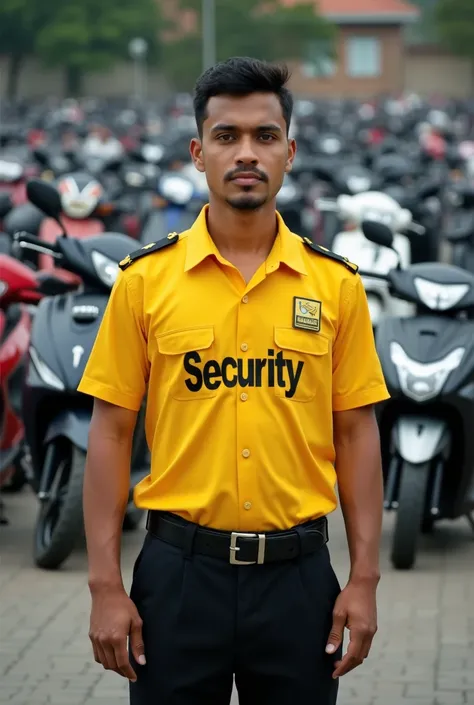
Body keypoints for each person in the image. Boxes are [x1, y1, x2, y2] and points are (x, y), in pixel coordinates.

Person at [78, 57, 390, 705]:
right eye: (227, 136)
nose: (246, 153)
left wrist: (364, 578)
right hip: (178, 577)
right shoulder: (143, 282)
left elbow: (357, 434)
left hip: (301, 580)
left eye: (264, 136)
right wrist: (105, 586)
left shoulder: (336, 286)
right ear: (198, 151)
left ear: (290, 151)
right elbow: (110, 433)